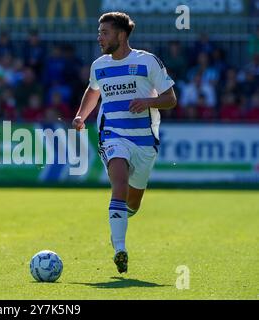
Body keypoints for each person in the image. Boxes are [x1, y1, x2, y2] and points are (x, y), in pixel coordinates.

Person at [72, 12, 177, 273]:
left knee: (133, 204)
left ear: (121, 35)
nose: (99, 37)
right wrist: (81, 115)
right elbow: (93, 91)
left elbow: (170, 98)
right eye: (99, 32)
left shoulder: (147, 61)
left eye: (104, 32)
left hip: (144, 140)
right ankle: (120, 248)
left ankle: (118, 222)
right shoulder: (99, 65)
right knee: (118, 183)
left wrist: (149, 102)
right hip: (113, 135)